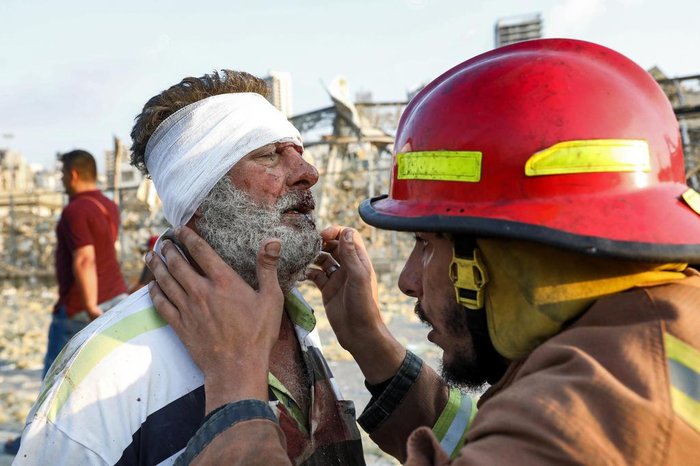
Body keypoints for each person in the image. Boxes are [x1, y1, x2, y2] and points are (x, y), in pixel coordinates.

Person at [146, 39, 700, 465]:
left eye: (428, 243)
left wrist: (236, 385)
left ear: (507, 251)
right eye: (268, 154)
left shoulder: (578, 427)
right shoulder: (652, 335)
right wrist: (372, 345)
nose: (407, 278)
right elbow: (477, 437)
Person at [14, 70, 365, 465]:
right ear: (200, 193)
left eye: (298, 151)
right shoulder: (107, 370)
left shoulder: (298, 322)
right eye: (268, 155)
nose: (308, 173)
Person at [4, 149, 128, 456]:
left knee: (53, 380)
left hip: (80, 308)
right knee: (102, 378)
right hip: (116, 298)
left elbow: (85, 259)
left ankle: (33, 446)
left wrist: (88, 306)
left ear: (73, 174)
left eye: (62, 175)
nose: (61, 180)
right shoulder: (108, 204)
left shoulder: (75, 210)